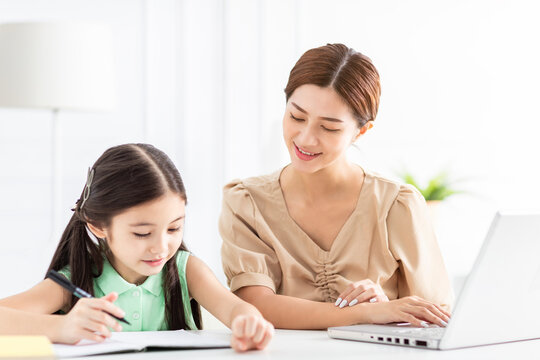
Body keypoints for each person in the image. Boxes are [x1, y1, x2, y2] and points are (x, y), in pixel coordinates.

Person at [219, 43, 454, 329]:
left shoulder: (397, 206)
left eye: (329, 128)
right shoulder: (247, 202)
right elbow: (256, 306)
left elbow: (434, 317)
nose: (305, 139)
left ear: (361, 131)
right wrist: (367, 314)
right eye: (296, 116)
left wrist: (388, 309)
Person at [0, 143, 273, 352]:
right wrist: (63, 326)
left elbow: (236, 309)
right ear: (97, 226)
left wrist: (248, 323)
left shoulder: (185, 270)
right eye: (142, 233)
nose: (162, 247)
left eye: (174, 228)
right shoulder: (77, 279)